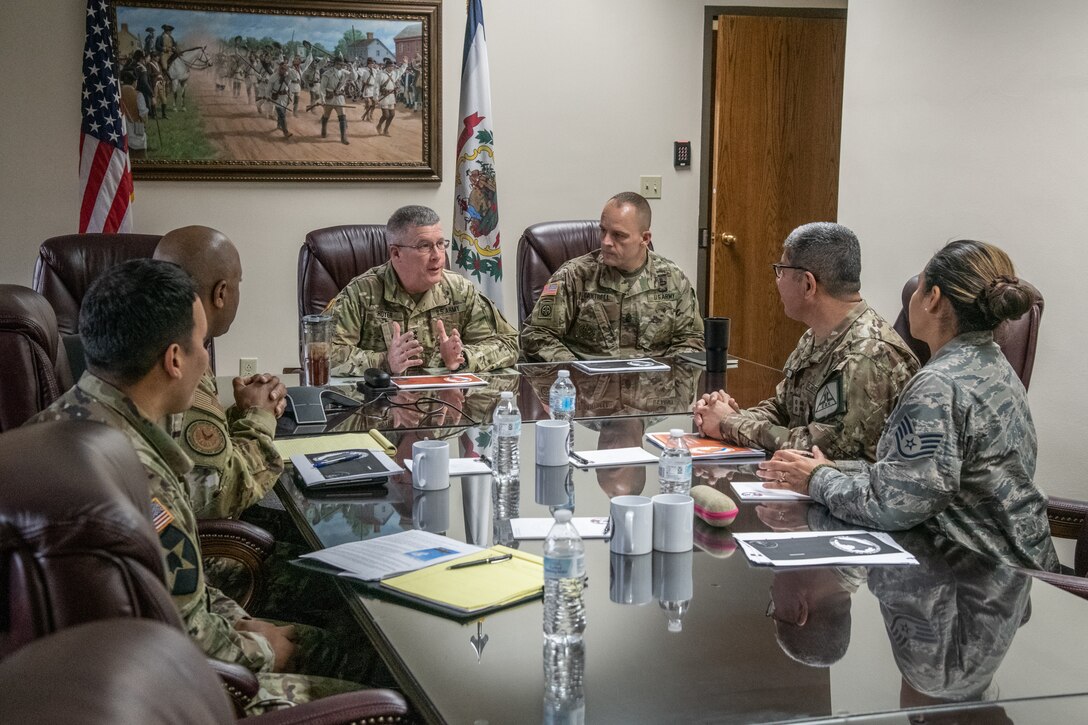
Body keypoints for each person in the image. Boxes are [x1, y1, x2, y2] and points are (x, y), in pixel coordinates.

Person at [26, 260, 365, 714]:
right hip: (171, 690)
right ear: (174, 359)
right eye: (201, 344)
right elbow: (195, 643)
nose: (205, 358)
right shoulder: (138, 475)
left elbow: (180, 594)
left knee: (327, 641)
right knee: (376, 679)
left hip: (92, 667)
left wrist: (243, 621)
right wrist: (269, 648)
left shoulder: (58, 422)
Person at [757, 240, 1060, 573]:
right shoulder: (993, 364)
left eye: (919, 288)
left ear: (933, 299)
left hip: (977, 579)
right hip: (1011, 567)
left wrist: (817, 480)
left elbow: (893, 505)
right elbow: (914, 474)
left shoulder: (939, 385)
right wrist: (831, 469)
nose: (910, 299)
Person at [693, 222, 918, 462]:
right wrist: (723, 414)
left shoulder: (866, 357)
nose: (777, 281)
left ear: (808, 284)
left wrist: (730, 423)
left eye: (781, 271)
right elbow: (784, 409)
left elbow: (820, 450)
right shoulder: (817, 335)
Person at [152, 226, 286, 520]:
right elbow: (221, 493)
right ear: (221, 292)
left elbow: (188, 450)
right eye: (239, 283)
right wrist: (259, 416)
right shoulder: (179, 362)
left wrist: (242, 413)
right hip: (203, 555)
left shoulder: (153, 340)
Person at [327, 204, 518, 375]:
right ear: (396, 253)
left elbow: (508, 344)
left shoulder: (460, 290)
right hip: (382, 408)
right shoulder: (361, 293)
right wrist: (384, 362)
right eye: (424, 246)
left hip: (446, 406)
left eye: (440, 244)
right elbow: (323, 354)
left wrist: (463, 358)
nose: (437, 256)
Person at [521, 192, 704, 361]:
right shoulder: (575, 276)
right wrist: (573, 370)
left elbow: (690, 339)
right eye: (603, 231)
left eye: (618, 235)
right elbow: (537, 334)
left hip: (652, 389)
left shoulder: (673, 279)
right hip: (588, 387)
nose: (606, 242)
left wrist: (667, 375)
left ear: (645, 238)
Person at [319, 53, 351, 144]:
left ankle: (343, 137)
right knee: (326, 115)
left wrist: (351, 67)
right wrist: (323, 100)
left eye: (342, 64)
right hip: (329, 97)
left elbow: (354, 77)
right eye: (340, 64)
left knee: (342, 117)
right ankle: (323, 129)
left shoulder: (345, 72)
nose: (341, 66)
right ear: (335, 64)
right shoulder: (327, 74)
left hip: (339, 97)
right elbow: (322, 88)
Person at [375, 57, 407, 136]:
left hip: (391, 97)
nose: (391, 68)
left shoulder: (394, 73)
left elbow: (401, 71)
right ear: (386, 66)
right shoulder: (380, 74)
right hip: (384, 96)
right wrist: (375, 98)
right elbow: (376, 87)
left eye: (392, 66)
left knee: (392, 114)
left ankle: (386, 130)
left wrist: (405, 64)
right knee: (386, 115)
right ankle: (379, 125)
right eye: (390, 66)